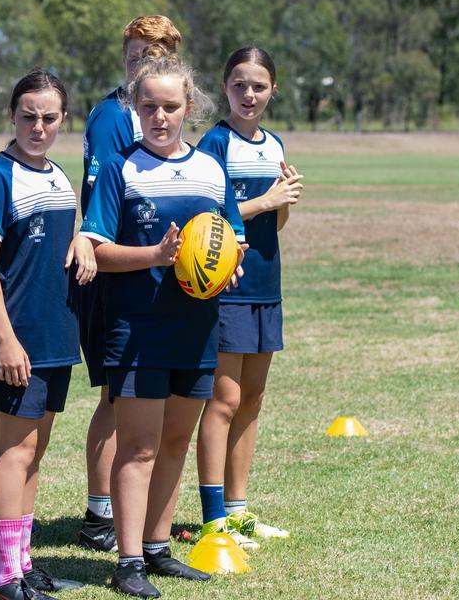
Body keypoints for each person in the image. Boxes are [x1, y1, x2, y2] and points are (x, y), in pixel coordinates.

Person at [80, 53, 245, 598]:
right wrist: (155, 255)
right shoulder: (119, 168)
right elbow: (96, 252)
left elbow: (231, 237)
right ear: (134, 106)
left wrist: (231, 264)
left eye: (170, 106)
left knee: (176, 440)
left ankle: (157, 548)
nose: (159, 116)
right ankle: (128, 562)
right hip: (137, 329)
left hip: (196, 328)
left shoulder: (210, 169)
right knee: (140, 447)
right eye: (148, 105)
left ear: (189, 107)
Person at [0, 70, 96, 600]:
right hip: (17, 339)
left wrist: (84, 240)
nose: (38, 126)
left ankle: (23, 565)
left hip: (55, 334)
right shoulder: (0, 175)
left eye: (48, 117)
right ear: (12, 117)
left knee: (34, 449)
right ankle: (3, 577)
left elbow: (66, 241)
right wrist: (4, 338)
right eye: (28, 116)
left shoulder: (56, 175)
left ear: (62, 119)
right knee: (13, 449)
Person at [76, 15, 182, 552]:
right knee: (117, 398)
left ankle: (135, 516)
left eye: (154, 53)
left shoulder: (163, 112)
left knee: (137, 402)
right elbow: (99, 209)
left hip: (155, 275)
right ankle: (101, 514)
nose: (142, 61)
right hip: (111, 269)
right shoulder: (112, 115)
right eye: (135, 52)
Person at [194, 46, 303, 547]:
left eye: (258, 86)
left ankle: (238, 512)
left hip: (266, 285)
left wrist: (285, 200)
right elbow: (209, 219)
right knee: (224, 399)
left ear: (272, 90)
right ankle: (213, 517)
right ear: (225, 87)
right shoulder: (214, 145)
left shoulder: (273, 143)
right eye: (239, 85)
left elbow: (274, 223)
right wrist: (266, 200)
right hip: (227, 289)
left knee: (252, 400)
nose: (249, 94)